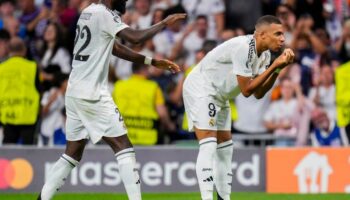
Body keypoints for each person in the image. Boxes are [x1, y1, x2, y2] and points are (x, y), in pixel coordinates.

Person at [37, 0, 185, 199]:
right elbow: (135, 37)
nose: (125, 1)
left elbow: (113, 47)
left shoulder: (88, 11)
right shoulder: (105, 14)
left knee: (72, 153)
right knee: (124, 147)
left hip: (74, 91)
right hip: (92, 94)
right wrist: (164, 22)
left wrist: (150, 61)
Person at [182, 15, 294, 200]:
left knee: (226, 149)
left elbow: (259, 93)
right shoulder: (244, 47)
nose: (283, 38)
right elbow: (247, 90)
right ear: (262, 35)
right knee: (209, 145)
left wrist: (276, 69)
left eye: (283, 34)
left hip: (221, 95)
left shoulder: (264, 55)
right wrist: (276, 64)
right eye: (278, 33)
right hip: (202, 89)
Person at [112, 63, 175, 145]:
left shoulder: (118, 86)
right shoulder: (153, 87)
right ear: (144, 69)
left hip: (123, 138)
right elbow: (162, 113)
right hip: (147, 139)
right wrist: (170, 126)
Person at [0, 37, 40, 145]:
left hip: (8, 115)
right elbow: (39, 89)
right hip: (28, 116)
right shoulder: (33, 66)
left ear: (9, 50)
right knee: (29, 155)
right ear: (24, 50)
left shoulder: (1, 68)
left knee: (7, 155)